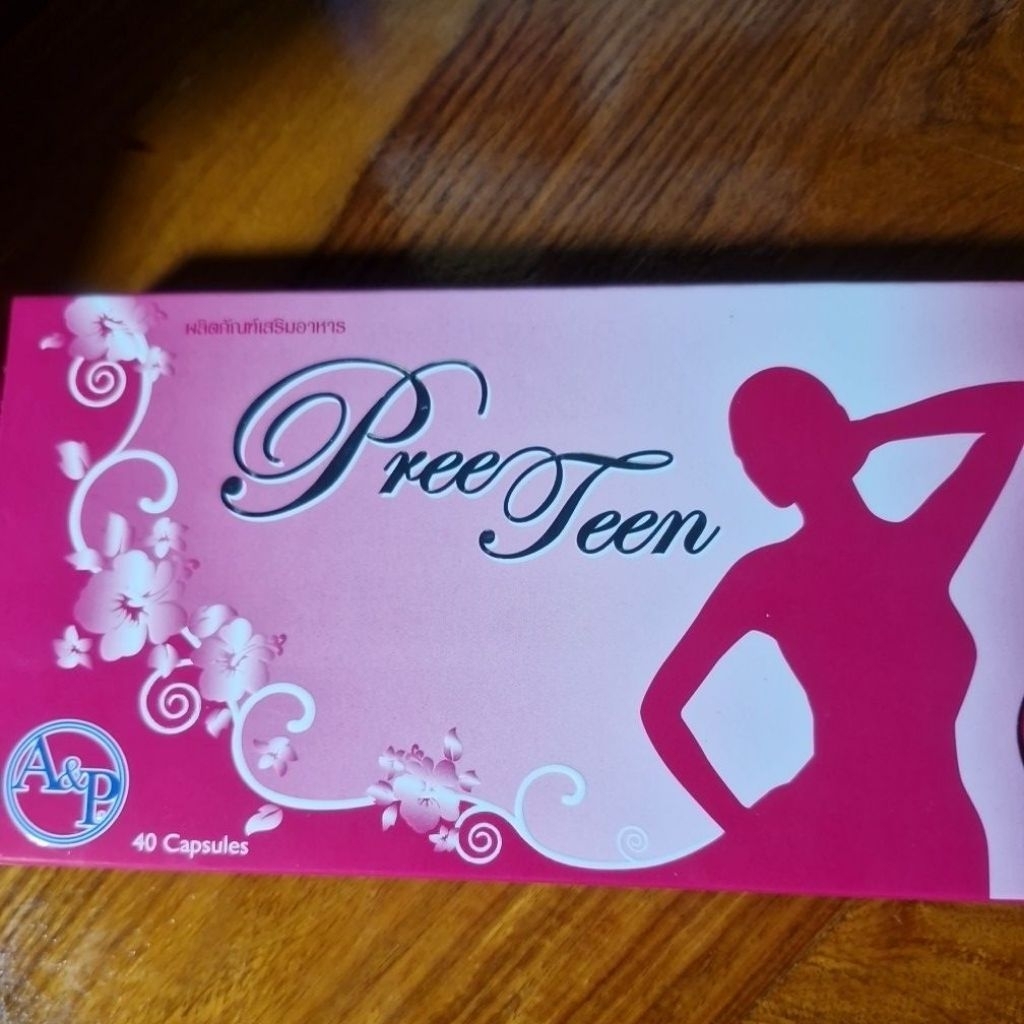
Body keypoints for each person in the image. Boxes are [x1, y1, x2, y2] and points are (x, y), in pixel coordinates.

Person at [641, 368, 1024, 899]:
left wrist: (872, 429)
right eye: (746, 455)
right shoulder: (772, 576)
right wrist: (746, 832)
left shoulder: (921, 550)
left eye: (760, 448)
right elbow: (660, 709)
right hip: (842, 834)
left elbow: (1016, 405)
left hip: (942, 834)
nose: (753, 467)